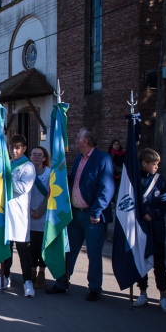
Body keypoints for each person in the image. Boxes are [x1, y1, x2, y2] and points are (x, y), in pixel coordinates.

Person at [47, 127, 115, 301]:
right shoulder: (78, 158)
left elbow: (106, 188)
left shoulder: (103, 159)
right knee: (68, 250)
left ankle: (94, 288)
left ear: (86, 141)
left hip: (93, 216)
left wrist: (97, 210)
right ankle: (62, 283)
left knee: (93, 253)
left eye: (77, 137)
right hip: (75, 214)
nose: (75, 139)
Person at [0, 136, 36, 296]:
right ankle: (4, 276)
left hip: (19, 215)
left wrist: (7, 177)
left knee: (23, 249)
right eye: (11, 148)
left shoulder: (28, 166)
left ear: (24, 148)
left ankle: (27, 281)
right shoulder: (8, 164)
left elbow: (23, 188)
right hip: (5, 212)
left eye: (17, 148)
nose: (14, 151)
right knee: (6, 247)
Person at [133, 148, 166, 312]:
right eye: (153, 164)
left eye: (157, 164)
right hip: (140, 228)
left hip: (156, 228)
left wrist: (155, 213)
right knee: (141, 261)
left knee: (159, 264)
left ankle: (163, 296)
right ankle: (143, 292)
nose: (156, 167)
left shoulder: (160, 181)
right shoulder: (135, 180)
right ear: (144, 164)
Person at [29, 146, 51, 289]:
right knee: (32, 247)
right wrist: (30, 210)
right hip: (29, 216)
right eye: (34, 154)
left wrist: (39, 211)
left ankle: (42, 272)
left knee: (43, 247)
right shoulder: (26, 172)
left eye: (39, 155)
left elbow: (51, 194)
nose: (36, 157)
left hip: (43, 216)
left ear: (44, 158)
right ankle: (31, 271)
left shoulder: (49, 173)